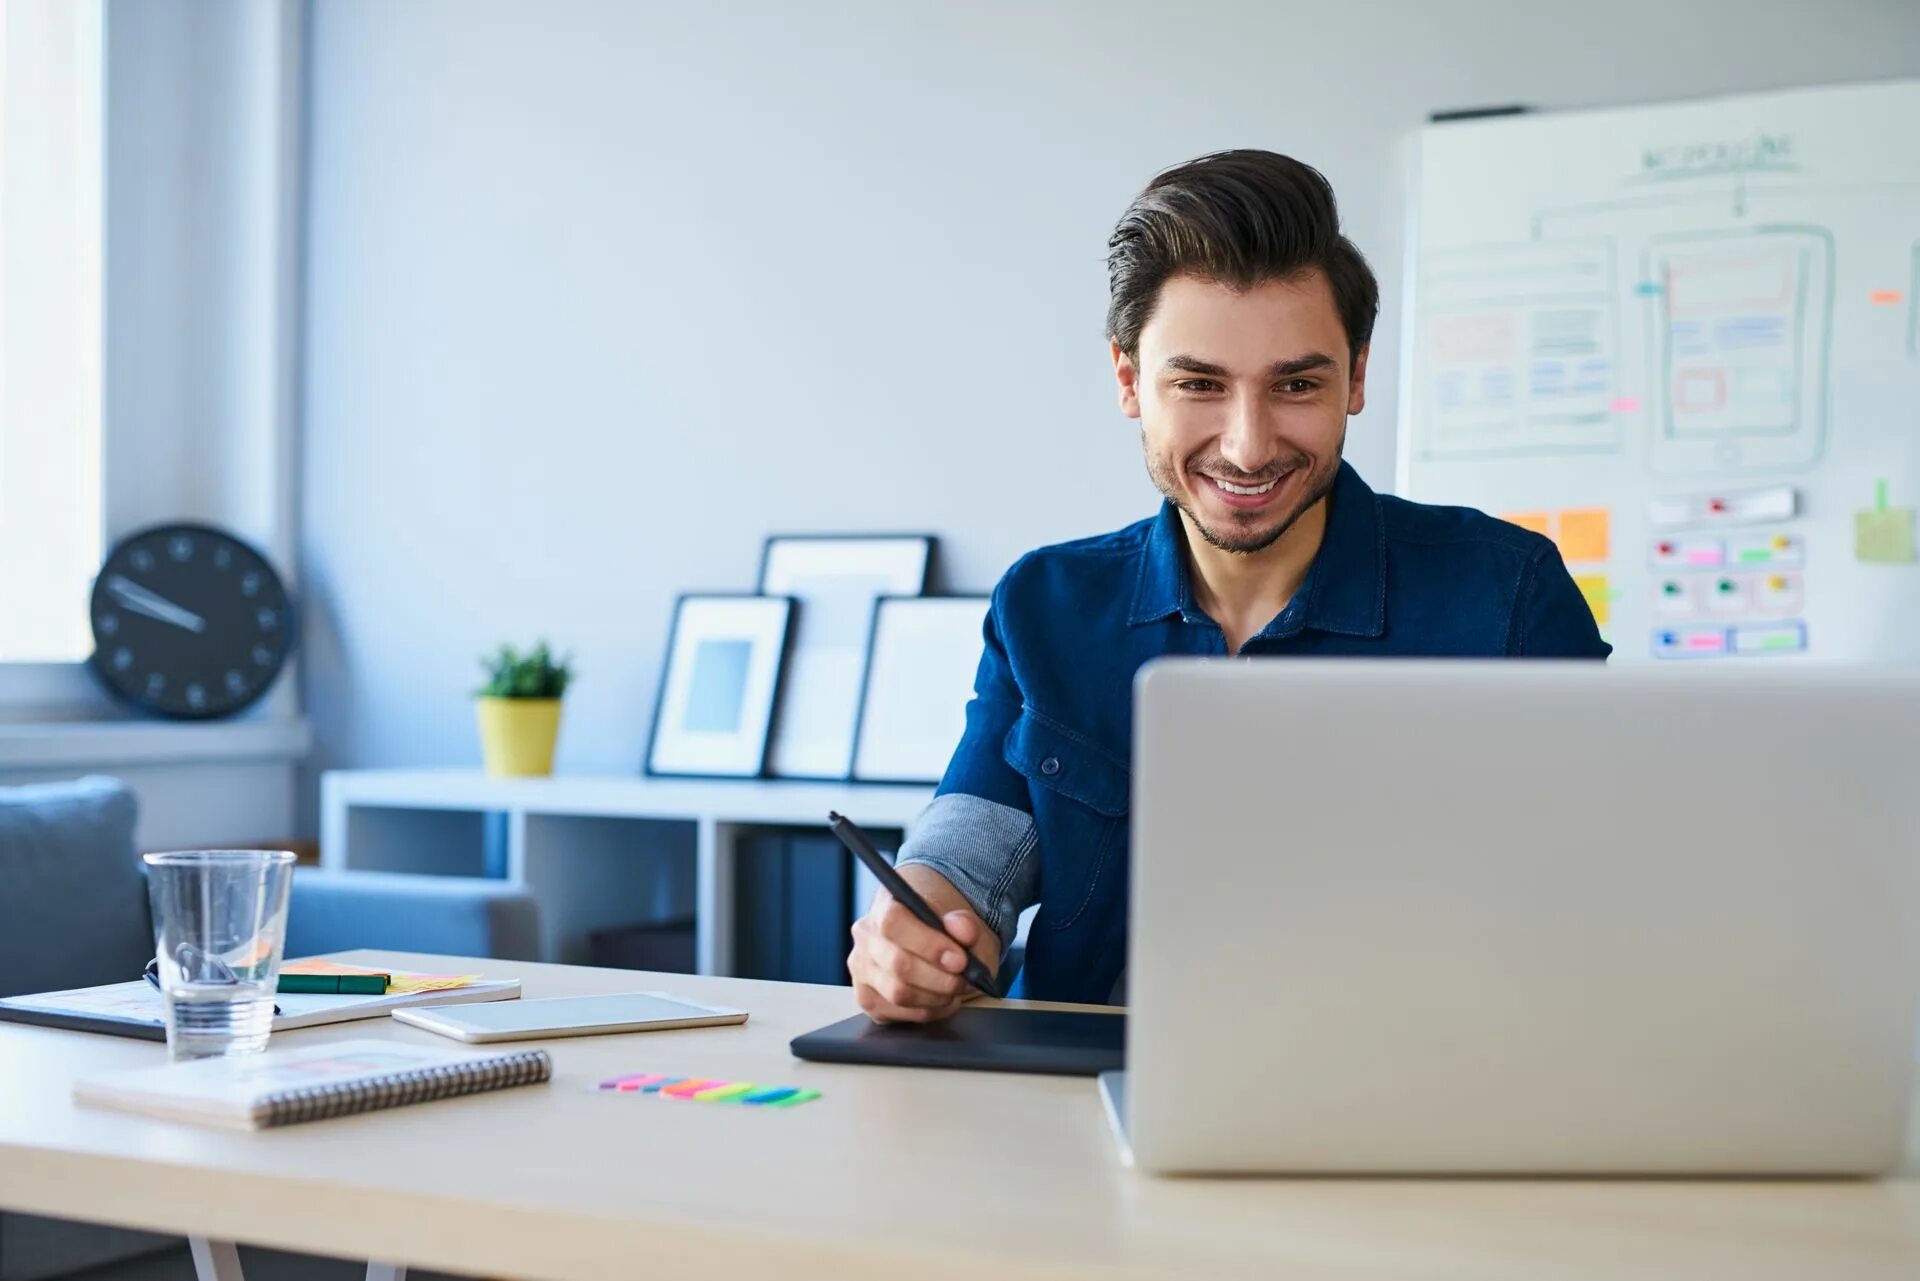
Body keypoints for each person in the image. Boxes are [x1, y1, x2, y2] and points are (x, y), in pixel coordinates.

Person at [847, 149, 1610, 1023]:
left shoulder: (1509, 595)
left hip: (1420, 1089)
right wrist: (912, 927)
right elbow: (972, 843)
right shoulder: (1048, 602)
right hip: (1084, 1086)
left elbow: (1600, 895)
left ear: (1356, 378)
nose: (1248, 446)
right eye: (1200, 385)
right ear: (1131, 381)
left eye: (1295, 385)